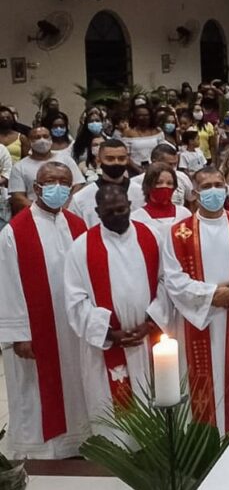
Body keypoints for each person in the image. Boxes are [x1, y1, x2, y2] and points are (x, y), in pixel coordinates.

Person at [152, 167, 229, 436]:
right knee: (199, 387)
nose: (213, 191)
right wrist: (211, 295)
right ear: (195, 192)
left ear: (226, 189)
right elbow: (172, 277)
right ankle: (200, 446)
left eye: (218, 184)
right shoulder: (178, 232)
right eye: (206, 186)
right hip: (198, 319)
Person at [0, 162, 90, 458]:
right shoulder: (14, 232)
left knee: (75, 381)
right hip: (34, 328)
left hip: (71, 325)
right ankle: (38, 447)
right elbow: (7, 285)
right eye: (50, 181)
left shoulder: (78, 225)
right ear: (36, 188)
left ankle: (77, 441)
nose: (57, 187)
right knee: (33, 386)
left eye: (63, 182)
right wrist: (19, 333)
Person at [64, 185, 163, 437]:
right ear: (97, 212)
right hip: (107, 345)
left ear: (130, 206)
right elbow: (75, 299)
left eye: (122, 209)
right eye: (109, 211)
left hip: (147, 340)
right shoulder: (81, 247)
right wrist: (108, 333)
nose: (117, 215)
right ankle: (116, 455)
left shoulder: (150, 236)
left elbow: (167, 282)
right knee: (114, 415)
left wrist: (151, 322)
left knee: (156, 397)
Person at [68, 139, 145, 227]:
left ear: (127, 160)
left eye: (121, 158)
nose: (116, 162)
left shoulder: (141, 193)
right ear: (99, 160)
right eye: (110, 159)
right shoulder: (80, 198)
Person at [8, 126, 85, 214]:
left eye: (45, 136)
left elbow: (78, 185)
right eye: (37, 137)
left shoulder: (66, 159)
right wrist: (41, 211)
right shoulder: (19, 167)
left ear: (51, 139)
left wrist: (66, 206)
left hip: (67, 210)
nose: (42, 140)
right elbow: (18, 197)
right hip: (35, 213)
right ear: (30, 141)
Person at [130, 164, 191, 235]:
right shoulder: (135, 218)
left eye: (169, 183)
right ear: (148, 185)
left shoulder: (185, 214)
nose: (164, 186)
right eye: (158, 183)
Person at [121, 104, 163, 173]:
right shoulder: (128, 133)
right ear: (135, 117)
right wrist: (139, 170)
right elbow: (125, 155)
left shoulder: (157, 131)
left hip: (155, 168)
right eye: (139, 115)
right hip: (134, 169)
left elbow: (162, 151)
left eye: (146, 115)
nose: (143, 118)